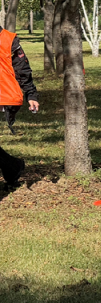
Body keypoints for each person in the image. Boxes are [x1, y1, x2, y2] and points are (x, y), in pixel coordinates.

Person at [0, 26, 40, 188]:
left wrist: (31, 94)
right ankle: (12, 166)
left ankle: (12, 166)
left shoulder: (8, 39)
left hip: (3, 95)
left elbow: (22, 68)